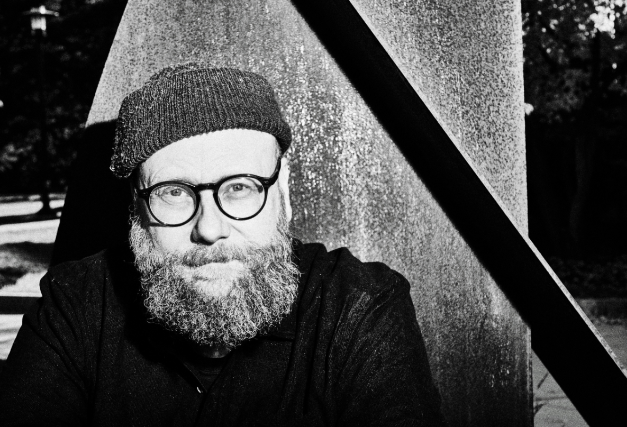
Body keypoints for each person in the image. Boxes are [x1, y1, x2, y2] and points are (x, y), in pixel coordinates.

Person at [0, 63, 446, 426]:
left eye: (240, 188)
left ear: (283, 191)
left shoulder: (359, 305)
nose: (210, 229)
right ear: (135, 207)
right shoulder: (74, 305)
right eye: (174, 193)